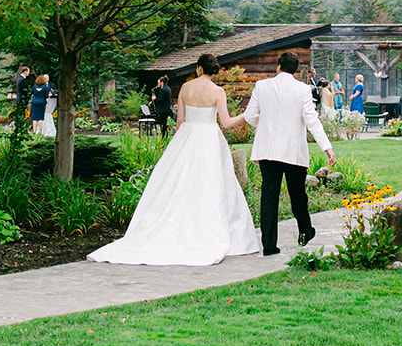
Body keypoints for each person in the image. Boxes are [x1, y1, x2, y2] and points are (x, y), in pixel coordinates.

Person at [90, 53, 261, 265]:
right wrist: (246, 115)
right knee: (210, 184)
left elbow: (180, 121)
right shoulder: (218, 91)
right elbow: (226, 123)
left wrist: (178, 145)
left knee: (179, 182)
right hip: (209, 138)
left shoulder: (185, 88)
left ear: (199, 68)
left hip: (187, 136)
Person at [237, 51, 336, 256]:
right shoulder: (303, 89)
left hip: (268, 150)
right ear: (296, 70)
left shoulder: (262, 86)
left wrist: (264, 123)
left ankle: (269, 245)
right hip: (293, 150)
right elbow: (312, 120)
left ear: (278, 66)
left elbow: (250, 115)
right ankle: (305, 231)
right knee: (298, 194)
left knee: (269, 196)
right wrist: (327, 147)